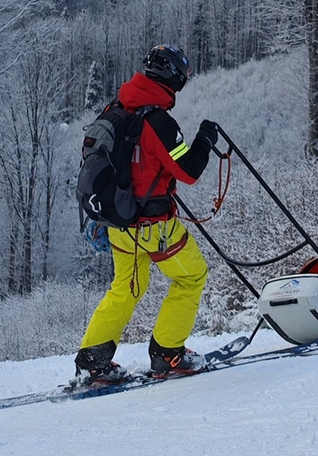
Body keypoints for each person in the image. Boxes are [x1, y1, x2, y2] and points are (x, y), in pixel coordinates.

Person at [74, 45, 218, 385]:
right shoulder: (159, 122)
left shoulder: (117, 107)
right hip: (153, 226)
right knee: (191, 277)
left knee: (125, 287)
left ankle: (93, 361)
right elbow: (189, 170)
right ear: (175, 79)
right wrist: (205, 139)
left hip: (118, 224)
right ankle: (168, 354)